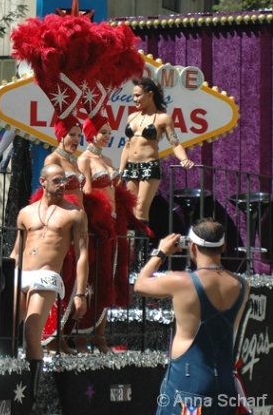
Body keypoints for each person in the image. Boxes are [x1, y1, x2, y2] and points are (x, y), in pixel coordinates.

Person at [134, 218, 249, 415]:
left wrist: (161, 252)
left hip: (188, 381)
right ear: (223, 246)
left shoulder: (182, 282)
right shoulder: (241, 285)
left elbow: (140, 284)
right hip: (224, 383)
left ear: (193, 247)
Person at [12, 163, 88, 408]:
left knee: (32, 331)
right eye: (56, 180)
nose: (62, 184)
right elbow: (16, 250)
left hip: (46, 275)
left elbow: (82, 255)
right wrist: (7, 278)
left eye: (64, 180)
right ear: (42, 182)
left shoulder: (75, 214)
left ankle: (32, 395)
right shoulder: (25, 212)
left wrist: (80, 293)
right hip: (21, 273)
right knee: (6, 329)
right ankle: (10, 381)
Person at [37, 115, 85, 354]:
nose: (76, 139)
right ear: (61, 135)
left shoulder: (75, 160)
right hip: (61, 225)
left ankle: (61, 335)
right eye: (72, 134)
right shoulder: (53, 158)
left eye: (79, 135)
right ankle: (49, 338)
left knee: (72, 279)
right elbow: (47, 195)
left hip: (79, 223)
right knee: (58, 277)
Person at [120, 77, 194, 224]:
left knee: (141, 209)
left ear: (150, 95)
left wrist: (184, 159)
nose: (134, 99)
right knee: (132, 209)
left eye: (138, 95)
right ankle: (133, 246)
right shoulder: (131, 117)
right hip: (131, 167)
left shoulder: (163, 118)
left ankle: (143, 247)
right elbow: (127, 146)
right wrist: (120, 171)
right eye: (133, 95)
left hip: (149, 166)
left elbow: (175, 143)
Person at [76, 116, 118, 353]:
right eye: (102, 131)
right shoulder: (85, 160)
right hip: (96, 228)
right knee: (92, 280)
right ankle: (82, 337)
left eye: (109, 132)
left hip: (112, 226)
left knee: (107, 280)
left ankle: (100, 335)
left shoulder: (107, 159)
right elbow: (88, 194)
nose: (107, 136)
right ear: (90, 133)